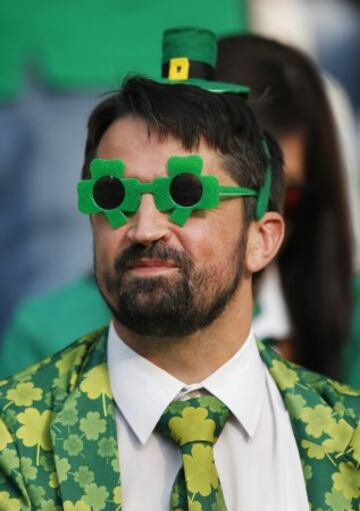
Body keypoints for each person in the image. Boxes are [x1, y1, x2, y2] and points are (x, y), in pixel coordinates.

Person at [1, 27, 359, 510]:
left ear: (263, 238)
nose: (145, 227)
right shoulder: (12, 435)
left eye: (185, 196)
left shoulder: (348, 436)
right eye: (114, 196)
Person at [216, 34, 360, 383]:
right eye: (239, 192)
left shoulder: (350, 319)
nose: (260, 221)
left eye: (285, 196)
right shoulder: (66, 332)